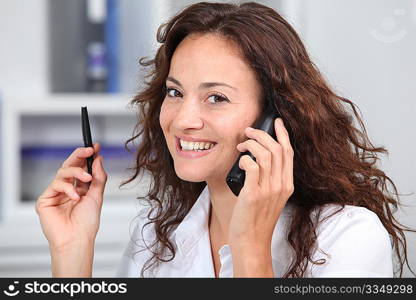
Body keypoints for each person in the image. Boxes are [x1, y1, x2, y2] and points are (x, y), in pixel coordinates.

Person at [36, 2, 415, 278]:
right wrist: (72, 252)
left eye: (216, 98)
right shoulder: (154, 233)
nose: (183, 120)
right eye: (174, 92)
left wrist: (250, 246)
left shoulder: (349, 237)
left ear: (275, 119)